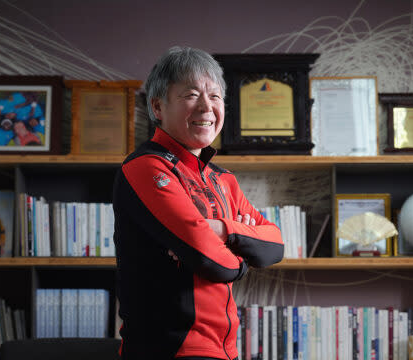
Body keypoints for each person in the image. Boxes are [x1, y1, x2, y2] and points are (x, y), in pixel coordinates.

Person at [112, 46, 284, 360]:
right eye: (191, 95)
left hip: (225, 351)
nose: (206, 106)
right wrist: (242, 255)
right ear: (158, 106)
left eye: (215, 96)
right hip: (169, 350)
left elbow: (274, 245)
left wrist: (223, 230)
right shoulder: (146, 168)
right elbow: (211, 261)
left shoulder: (223, 179)